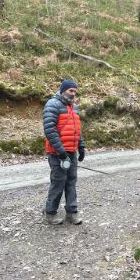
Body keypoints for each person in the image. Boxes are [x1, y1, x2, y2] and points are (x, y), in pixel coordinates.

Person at [42, 78, 86, 225]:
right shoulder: (52, 105)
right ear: (63, 90)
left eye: (75, 91)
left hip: (71, 151)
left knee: (71, 182)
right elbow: (50, 130)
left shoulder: (74, 107)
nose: (73, 94)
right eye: (70, 91)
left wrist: (81, 146)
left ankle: (71, 213)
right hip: (56, 152)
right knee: (58, 182)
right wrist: (61, 152)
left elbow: (77, 130)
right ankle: (50, 213)